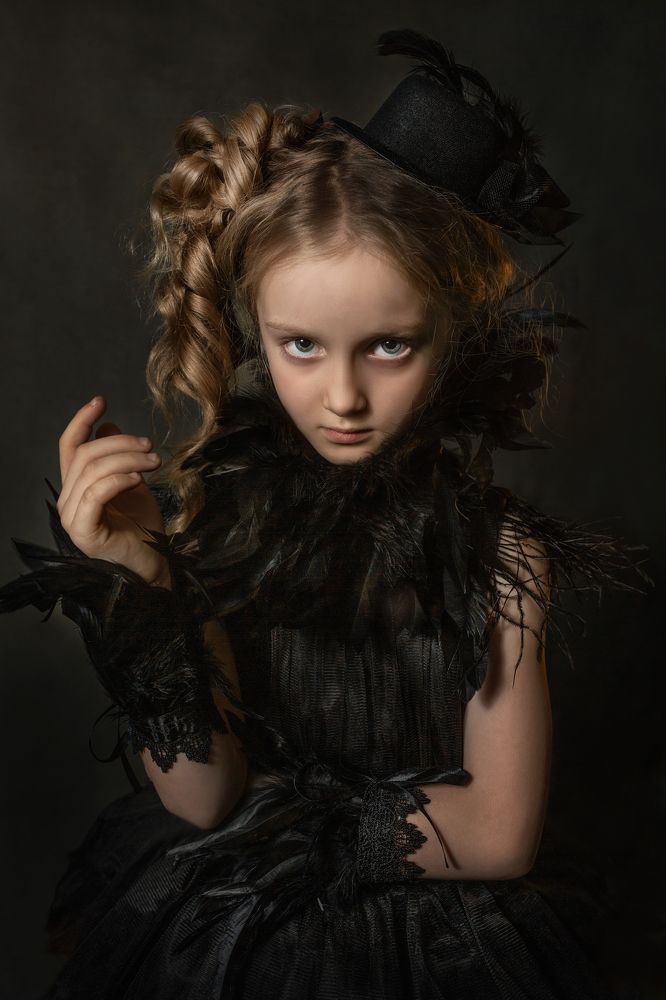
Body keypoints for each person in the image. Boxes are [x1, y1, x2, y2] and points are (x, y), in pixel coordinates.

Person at [0, 27, 652, 1000]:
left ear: (452, 331)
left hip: (441, 945)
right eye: (301, 345)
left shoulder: (502, 556)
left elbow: (497, 835)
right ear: (254, 330)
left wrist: (286, 826)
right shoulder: (219, 524)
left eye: (389, 346)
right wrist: (140, 582)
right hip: (234, 930)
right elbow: (203, 797)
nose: (342, 398)